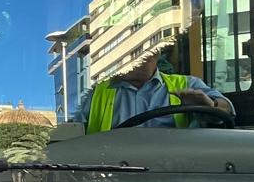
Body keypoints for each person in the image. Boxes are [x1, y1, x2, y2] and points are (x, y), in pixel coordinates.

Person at [80, 47, 234, 133]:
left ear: (156, 54)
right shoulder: (95, 93)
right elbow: (70, 131)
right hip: (111, 176)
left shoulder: (187, 84)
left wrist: (209, 107)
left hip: (174, 173)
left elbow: (225, 111)